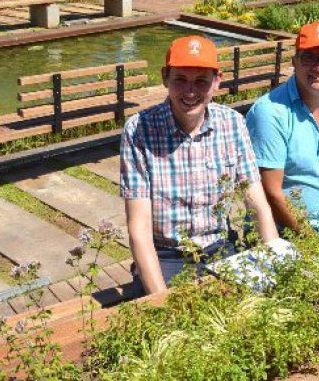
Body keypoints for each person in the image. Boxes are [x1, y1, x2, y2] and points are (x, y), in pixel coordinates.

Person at [120, 35, 280, 294]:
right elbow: (138, 229)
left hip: (220, 248)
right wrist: (162, 301)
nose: (190, 92)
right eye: (180, 80)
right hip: (167, 255)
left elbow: (256, 202)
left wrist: (276, 262)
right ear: (165, 77)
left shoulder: (233, 124)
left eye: (201, 81)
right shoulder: (139, 130)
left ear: (217, 81)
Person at [245, 22, 319, 232]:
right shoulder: (270, 112)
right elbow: (271, 192)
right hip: (284, 234)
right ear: (295, 62)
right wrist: (310, 241)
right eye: (309, 58)